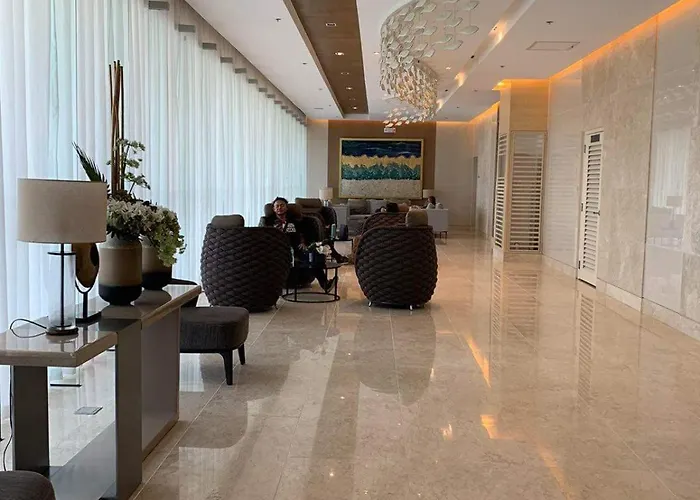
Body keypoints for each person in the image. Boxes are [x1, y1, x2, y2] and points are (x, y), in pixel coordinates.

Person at [262, 197, 337, 293]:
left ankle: (325, 284)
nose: (279, 208)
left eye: (282, 205)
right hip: (278, 250)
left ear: (286, 207)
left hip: (296, 248)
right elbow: (264, 236)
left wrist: (305, 243)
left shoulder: (295, 220)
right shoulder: (268, 222)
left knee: (312, 258)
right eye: (277, 206)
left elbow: (306, 232)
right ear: (273, 209)